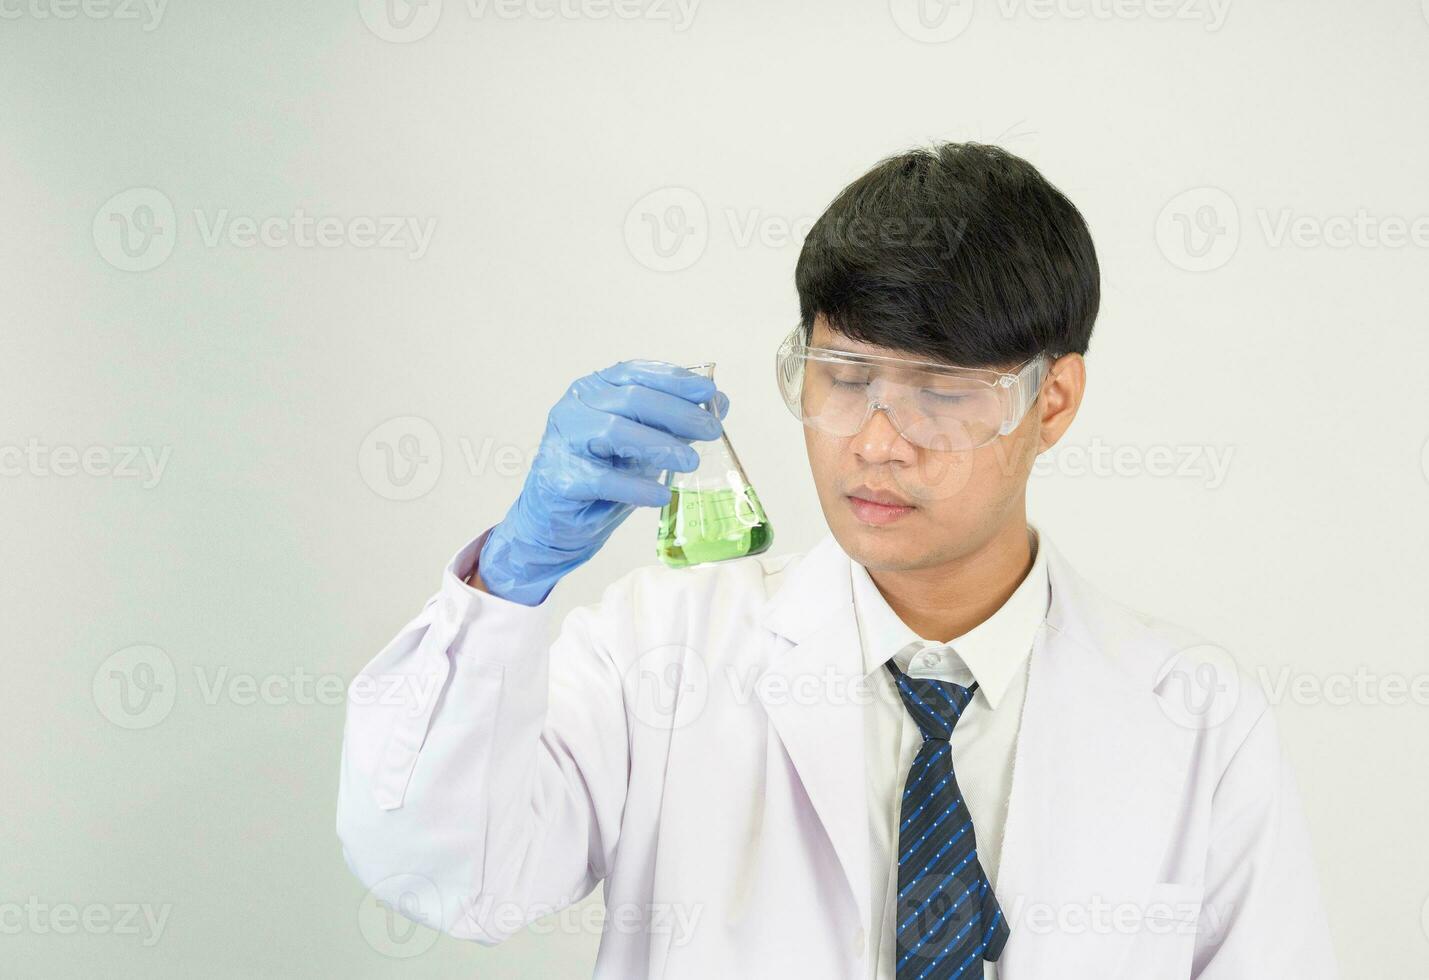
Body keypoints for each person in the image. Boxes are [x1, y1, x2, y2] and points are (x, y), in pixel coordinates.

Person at [336, 142, 1338, 979]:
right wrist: (505, 585)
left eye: (942, 390)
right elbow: (449, 871)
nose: (875, 440)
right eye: (842, 377)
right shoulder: (662, 646)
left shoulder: (1194, 714)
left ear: (1056, 401)